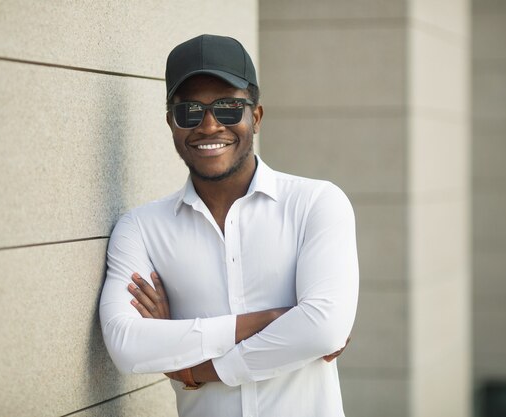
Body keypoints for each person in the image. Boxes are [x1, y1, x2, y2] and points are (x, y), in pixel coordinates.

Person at [99, 34, 359, 417]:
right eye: (189, 110)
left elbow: (323, 330)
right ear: (171, 122)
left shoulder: (316, 204)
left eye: (227, 107)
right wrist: (270, 321)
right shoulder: (140, 229)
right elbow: (126, 345)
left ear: (255, 116)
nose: (208, 125)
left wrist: (195, 366)